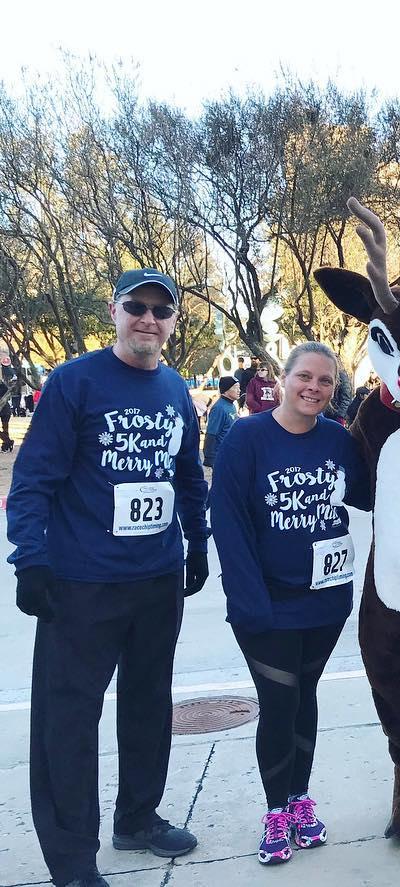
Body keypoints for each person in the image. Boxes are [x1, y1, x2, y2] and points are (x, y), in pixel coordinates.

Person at [6, 268, 209, 887]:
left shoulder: (176, 390)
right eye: (136, 307)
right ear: (115, 311)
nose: (148, 319)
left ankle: (138, 817)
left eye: (160, 309)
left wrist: (198, 543)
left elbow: (186, 477)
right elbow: (33, 478)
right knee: (68, 719)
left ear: (173, 322)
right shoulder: (73, 382)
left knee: (149, 703)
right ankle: (71, 860)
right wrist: (30, 558)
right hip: (82, 584)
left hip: (155, 580)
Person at [209, 342, 370, 866]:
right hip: (265, 605)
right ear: (283, 377)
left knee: (306, 697)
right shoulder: (248, 436)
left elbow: (370, 493)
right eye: (305, 376)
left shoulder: (338, 441)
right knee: (279, 703)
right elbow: (228, 520)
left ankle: (300, 799)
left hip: (325, 602)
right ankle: (276, 810)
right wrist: (248, 598)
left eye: (325, 382)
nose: (314, 389)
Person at [202, 375, 240, 468]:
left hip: (232, 453)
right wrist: (210, 458)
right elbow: (211, 434)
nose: (239, 390)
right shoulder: (219, 408)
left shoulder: (232, 405)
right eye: (236, 388)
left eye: (239, 388)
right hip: (221, 456)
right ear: (226, 390)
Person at [0, 352, 18, 451]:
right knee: (5, 429)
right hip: (6, 410)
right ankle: (6, 444)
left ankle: (7, 442)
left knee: (5, 429)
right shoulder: (4, 387)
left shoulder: (2, 387)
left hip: (3, 409)